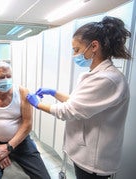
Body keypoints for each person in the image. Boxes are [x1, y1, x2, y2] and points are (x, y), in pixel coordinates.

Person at [26, 16, 131, 179]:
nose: (74, 55)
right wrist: (54, 92)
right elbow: (79, 103)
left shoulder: (107, 79)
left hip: (94, 160)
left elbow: (69, 110)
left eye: (76, 49)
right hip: (84, 153)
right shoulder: (97, 75)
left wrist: (38, 104)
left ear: (94, 46)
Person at [0, 61, 50, 179]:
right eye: (1, 77)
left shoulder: (22, 92)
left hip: (21, 142)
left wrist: (8, 148)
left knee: (43, 177)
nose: (6, 80)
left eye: (8, 76)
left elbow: (27, 124)